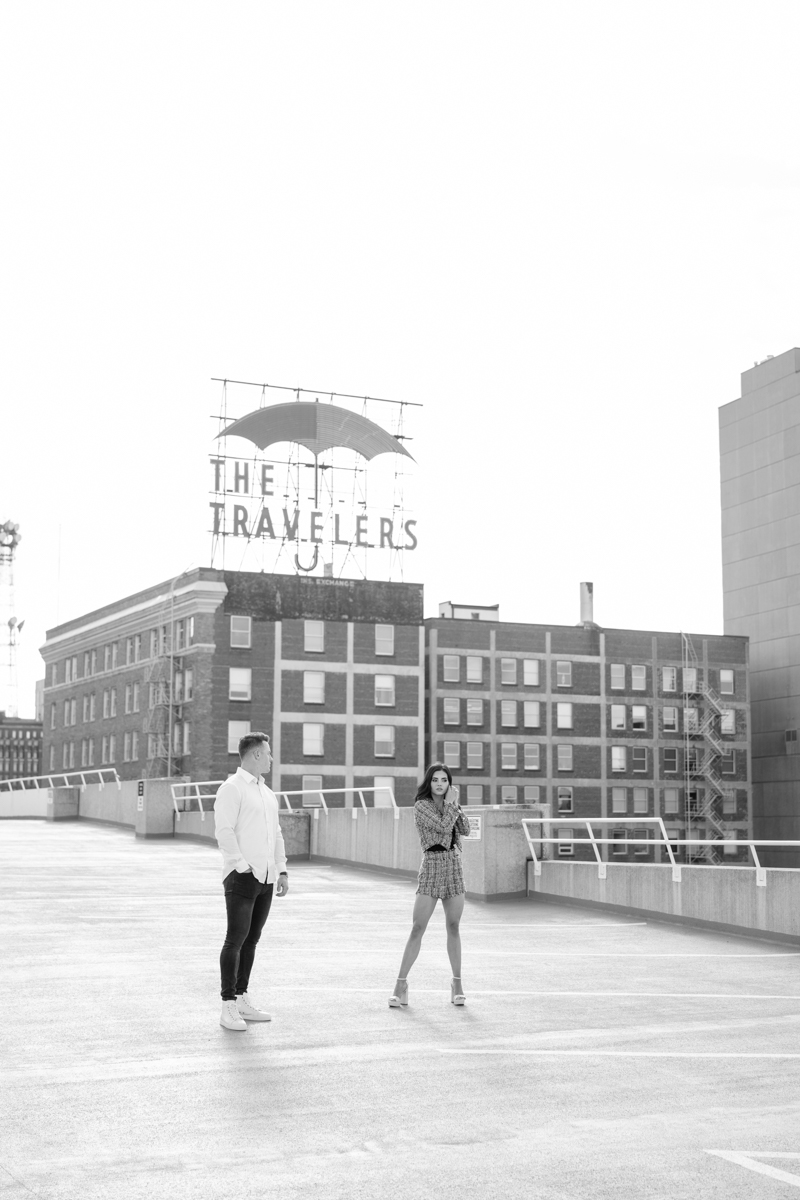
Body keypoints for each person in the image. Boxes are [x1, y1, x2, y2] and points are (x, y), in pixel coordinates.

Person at [214, 731, 289, 1031]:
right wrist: (241, 866)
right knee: (235, 939)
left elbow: (277, 833)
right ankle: (227, 1005)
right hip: (243, 877)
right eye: (268, 753)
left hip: (267, 878)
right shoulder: (232, 788)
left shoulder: (267, 793)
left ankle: (242, 998)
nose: (271, 758)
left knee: (251, 940)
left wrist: (281, 870)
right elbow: (224, 831)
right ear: (256, 754)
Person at [389, 762, 471, 1008]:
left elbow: (464, 829)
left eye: (444, 780)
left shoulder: (450, 805)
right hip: (432, 865)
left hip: (453, 865)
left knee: (454, 926)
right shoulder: (421, 806)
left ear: (449, 783)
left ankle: (457, 983)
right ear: (429, 782)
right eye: (435, 779)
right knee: (417, 927)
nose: (439, 784)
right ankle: (400, 984)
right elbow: (444, 825)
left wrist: (455, 805)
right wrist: (450, 806)